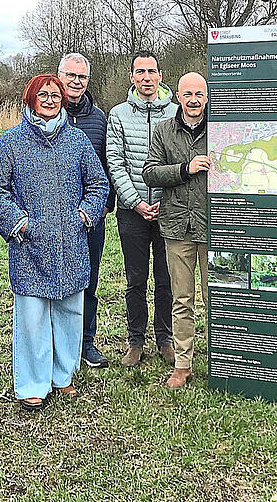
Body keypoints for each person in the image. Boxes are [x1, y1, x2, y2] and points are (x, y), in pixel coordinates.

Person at [0, 74, 108, 410]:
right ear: (31, 99)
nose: (50, 100)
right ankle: (32, 383)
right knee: (33, 317)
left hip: (71, 243)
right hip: (30, 246)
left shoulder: (77, 140)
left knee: (70, 312)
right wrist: (21, 224)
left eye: (55, 95)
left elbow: (98, 184)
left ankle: (63, 375)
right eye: (43, 95)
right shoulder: (12, 141)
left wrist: (84, 216)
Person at [106, 50, 177, 367]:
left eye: (151, 71)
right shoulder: (118, 114)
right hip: (131, 212)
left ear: (160, 75)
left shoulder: (176, 113)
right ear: (132, 77)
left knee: (166, 279)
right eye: (140, 72)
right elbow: (115, 162)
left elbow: (181, 160)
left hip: (169, 210)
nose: (146, 77)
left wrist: (165, 199)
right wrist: (136, 202)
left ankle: (165, 338)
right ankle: (135, 340)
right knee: (136, 280)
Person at [142, 72, 210, 389]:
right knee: (182, 299)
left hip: (213, 226)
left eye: (199, 94)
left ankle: (225, 361)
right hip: (176, 227)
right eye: (188, 94)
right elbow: (150, 172)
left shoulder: (221, 129)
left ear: (207, 97)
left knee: (217, 298)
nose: (193, 100)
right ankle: (183, 365)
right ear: (178, 97)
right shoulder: (164, 130)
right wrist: (186, 169)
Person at [58, 52, 115, 369]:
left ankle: (86, 342)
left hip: (91, 217)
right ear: (60, 76)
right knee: (56, 280)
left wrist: (106, 205)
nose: (76, 82)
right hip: (54, 217)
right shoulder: (45, 114)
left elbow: (108, 164)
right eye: (71, 75)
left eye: (81, 77)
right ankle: (57, 343)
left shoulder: (99, 119)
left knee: (89, 282)